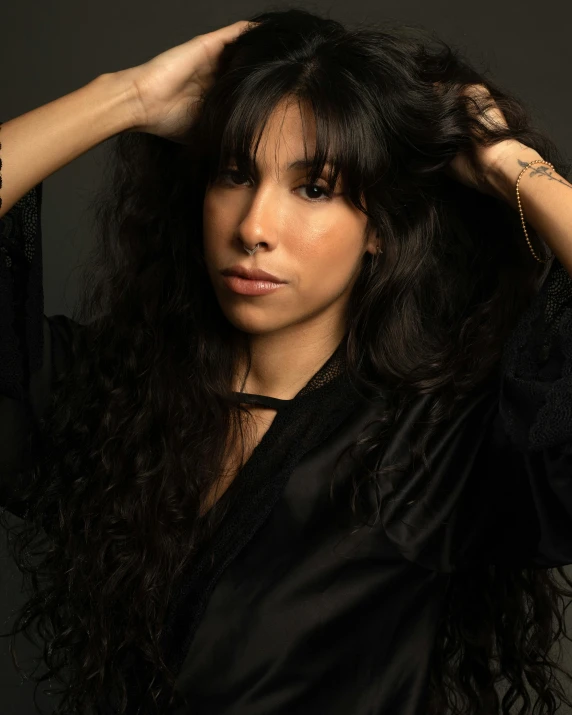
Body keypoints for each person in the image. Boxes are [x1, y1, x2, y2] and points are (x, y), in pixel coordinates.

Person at [1, 7, 572, 715]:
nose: (254, 228)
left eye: (314, 187)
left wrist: (511, 162)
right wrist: (126, 98)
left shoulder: (433, 447)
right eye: (234, 174)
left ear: (380, 232)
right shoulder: (114, 399)